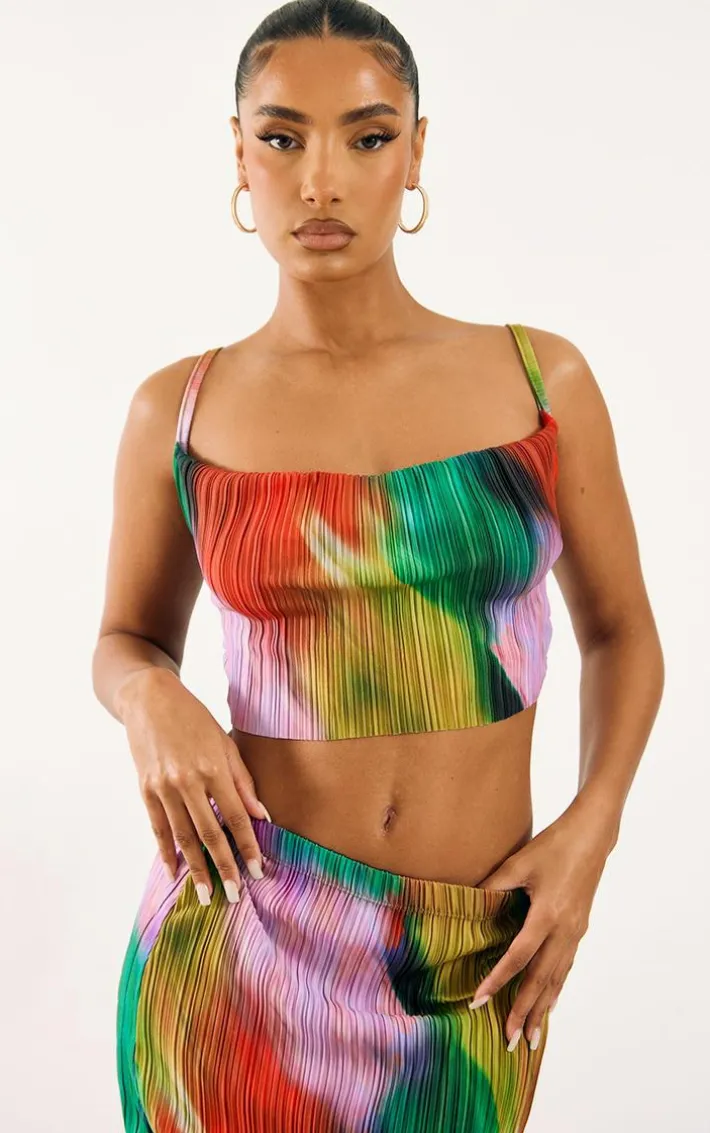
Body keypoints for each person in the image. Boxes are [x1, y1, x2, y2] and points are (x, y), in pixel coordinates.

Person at [92, 2, 665, 1130]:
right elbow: (127, 637)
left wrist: (590, 832)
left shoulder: (539, 381)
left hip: (469, 959)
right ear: (238, 154)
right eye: (281, 136)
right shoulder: (181, 410)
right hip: (237, 947)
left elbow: (622, 631)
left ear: (416, 150)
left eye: (366, 136)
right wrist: (148, 692)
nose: (321, 181)